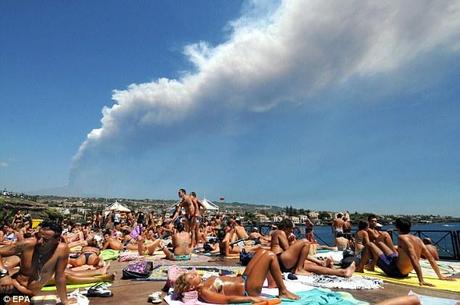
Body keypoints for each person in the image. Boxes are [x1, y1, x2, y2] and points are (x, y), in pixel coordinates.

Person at [174, 249, 299, 303]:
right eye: (191, 277)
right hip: (248, 289)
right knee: (270, 256)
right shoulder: (204, 291)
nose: (193, 274)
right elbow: (227, 300)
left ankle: (272, 283)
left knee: (262, 252)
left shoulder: (204, 283)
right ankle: (282, 290)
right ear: (190, 287)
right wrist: (251, 299)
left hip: (243, 279)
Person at [356, 218, 453, 286]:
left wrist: (421, 280)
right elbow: (430, 258)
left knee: (369, 245)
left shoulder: (401, 238)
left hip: (396, 271)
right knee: (382, 239)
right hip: (397, 262)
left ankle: (360, 268)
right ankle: (372, 264)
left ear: (397, 228)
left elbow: (413, 257)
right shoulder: (418, 239)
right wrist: (440, 275)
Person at [0, 219, 70, 304]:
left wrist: (65, 301)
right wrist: (3, 274)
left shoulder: (62, 250)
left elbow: (60, 277)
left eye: (46, 240)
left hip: (27, 295)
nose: (40, 241)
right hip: (11, 287)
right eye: (38, 236)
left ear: (57, 240)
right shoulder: (28, 244)